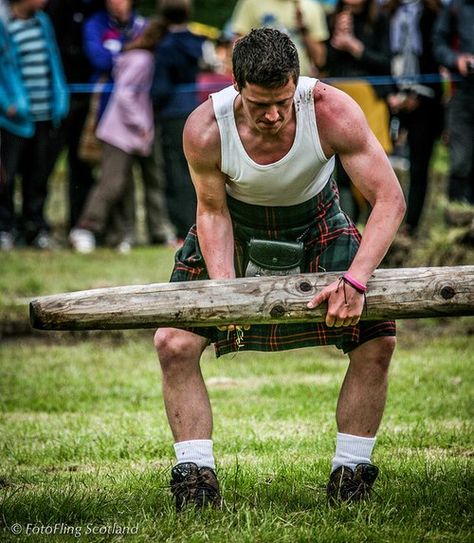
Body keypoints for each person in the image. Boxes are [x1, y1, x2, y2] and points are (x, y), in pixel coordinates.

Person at [153, 28, 405, 511]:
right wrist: (227, 292)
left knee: (378, 339)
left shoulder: (331, 109)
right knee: (174, 343)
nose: (273, 115)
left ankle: (350, 474)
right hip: (235, 226)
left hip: (318, 223)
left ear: (297, 81)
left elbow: (389, 199)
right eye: (259, 104)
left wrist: (355, 280)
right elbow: (212, 211)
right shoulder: (206, 126)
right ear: (237, 88)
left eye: (283, 102)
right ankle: (194, 478)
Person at [69, 18, 175, 253]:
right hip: (120, 132)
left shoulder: (139, 57)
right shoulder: (143, 60)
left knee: (125, 187)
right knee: (111, 183)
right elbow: (125, 95)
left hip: (128, 132)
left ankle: (121, 236)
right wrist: (142, 124)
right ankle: (84, 229)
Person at [0, 0, 69, 251]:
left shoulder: (42, 21)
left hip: (44, 115)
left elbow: (53, 61)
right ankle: (5, 228)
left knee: (38, 176)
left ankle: (34, 227)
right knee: (6, 177)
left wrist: (60, 97)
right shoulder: (3, 23)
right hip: (12, 119)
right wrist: (8, 103)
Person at [324, 0, 393, 222]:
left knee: (372, 164)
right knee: (343, 167)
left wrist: (354, 46)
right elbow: (325, 62)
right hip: (339, 98)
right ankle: (347, 224)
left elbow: (385, 62)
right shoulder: (332, 19)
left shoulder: (379, 19)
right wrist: (337, 39)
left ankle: (375, 222)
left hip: (370, 99)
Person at [386, 0, 444, 236]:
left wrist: (415, 94)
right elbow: (386, 56)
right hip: (391, 98)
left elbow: (434, 58)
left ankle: (411, 224)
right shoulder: (388, 15)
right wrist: (393, 95)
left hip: (425, 100)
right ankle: (381, 224)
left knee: (418, 166)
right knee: (385, 162)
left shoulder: (432, 14)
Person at [45, 0, 104, 231]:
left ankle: (78, 222)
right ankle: (35, 223)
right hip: (56, 99)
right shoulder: (55, 8)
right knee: (45, 163)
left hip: (87, 99)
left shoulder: (94, 9)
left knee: (82, 165)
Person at [152, 0, 205, 241]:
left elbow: (160, 88)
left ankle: (182, 228)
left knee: (175, 172)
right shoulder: (196, 41)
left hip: (172, 113)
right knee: (193, 171)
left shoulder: (166, 47)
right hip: (191, 110)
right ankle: (196, 223)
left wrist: (152, 105)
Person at [433, 0, 474, 205]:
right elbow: (438, 43)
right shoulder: (456, 7)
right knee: (460, 161)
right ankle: (456, 223)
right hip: (463, 92)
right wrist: (455, 59)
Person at [231, 0, 328, 76]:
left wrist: (303, 30)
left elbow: (319, 60)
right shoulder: (251, 3)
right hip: (260, 81)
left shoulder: (312, 6)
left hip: (300, 81)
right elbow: (238, 48)